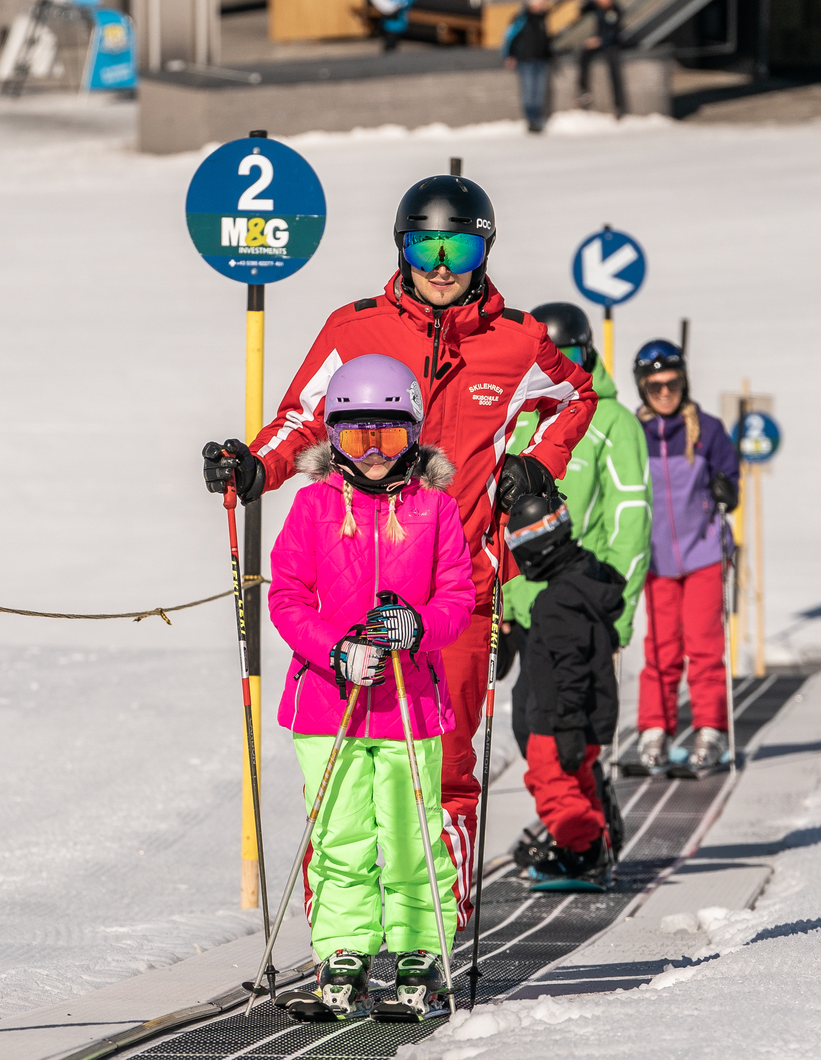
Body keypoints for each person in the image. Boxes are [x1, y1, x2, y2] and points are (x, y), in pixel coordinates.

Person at [203, 174, 596, 922]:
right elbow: (301, 419)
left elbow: (576, 396)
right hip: (348, 594)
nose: (441, 264)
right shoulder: (354, 330)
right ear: (402, 246)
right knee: (348, 776)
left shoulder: (514, 341)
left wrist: (536, 466)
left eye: (459, 245)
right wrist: (257, 467)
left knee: (442, 770)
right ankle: (347, 944)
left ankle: (434, 936)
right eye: (425, 244)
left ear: (483, 249)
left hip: (456, 595)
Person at [268, 354, 473, 1022]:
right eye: (357, 436)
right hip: (328, 706)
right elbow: (289, 597)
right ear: (333, 437)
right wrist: (335, 651)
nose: (375, 450)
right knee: (339, 834)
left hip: (410, 704)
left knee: (413, 833)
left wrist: (418, 627)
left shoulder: (435, 509)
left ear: (413, 432)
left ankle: (419, 954)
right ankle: (344, 954)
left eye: (389, 433)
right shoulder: (312, 507)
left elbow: (458, 598)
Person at [500, 302, 652, 669]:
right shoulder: (512, 417)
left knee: (569, 720)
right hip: (521, 609)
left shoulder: (613, 422)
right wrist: (501, 602)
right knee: (527, 720)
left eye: (569, 355)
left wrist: (617, 613)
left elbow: (630, 523)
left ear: (587, 352)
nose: (558, 369)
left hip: (582, 606)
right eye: (548, 356)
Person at [501, 489, 626, 884]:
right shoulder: (587, 577)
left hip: (560, 719)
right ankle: (596, 845)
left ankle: (584, 853)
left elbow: (570, 670)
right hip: (587, 714)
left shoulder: (558, 602)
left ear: (537, 548)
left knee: (550, 782)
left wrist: (567, 726)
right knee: (579, 779)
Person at [630, 339, 740, 774]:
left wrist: (726, 489)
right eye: (654, 385)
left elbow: (730, 477)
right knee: (661, 649)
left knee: (704, 644)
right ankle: (654, 729)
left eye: (672, 383)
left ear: (684, 381)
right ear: (641, 387)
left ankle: (710, 728)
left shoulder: (707, 429)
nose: (664, 392)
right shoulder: (633, 432)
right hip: (655, 558)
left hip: (703, 554)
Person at [501, 0, 555, 133]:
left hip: (541, 60)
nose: (543, 5)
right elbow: (510, 37)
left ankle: (537, 119)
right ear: (533, 4)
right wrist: (509, 55)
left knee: (539, 93)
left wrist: (549, 55)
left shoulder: (543, 18)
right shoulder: (522, 18)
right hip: (526, 61)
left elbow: (545, 39)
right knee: (529, 92)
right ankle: (531, 120)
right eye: (540, 3)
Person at [575, 0, 628, 116]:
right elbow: (581, 9)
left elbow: (615, 31)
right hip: (598, 41)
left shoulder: (615, 9)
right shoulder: (597, 7)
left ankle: (619, 105)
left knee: (614, 71)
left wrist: (600, 40)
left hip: (611, 43)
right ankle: (583, 91)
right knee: (584, 55)